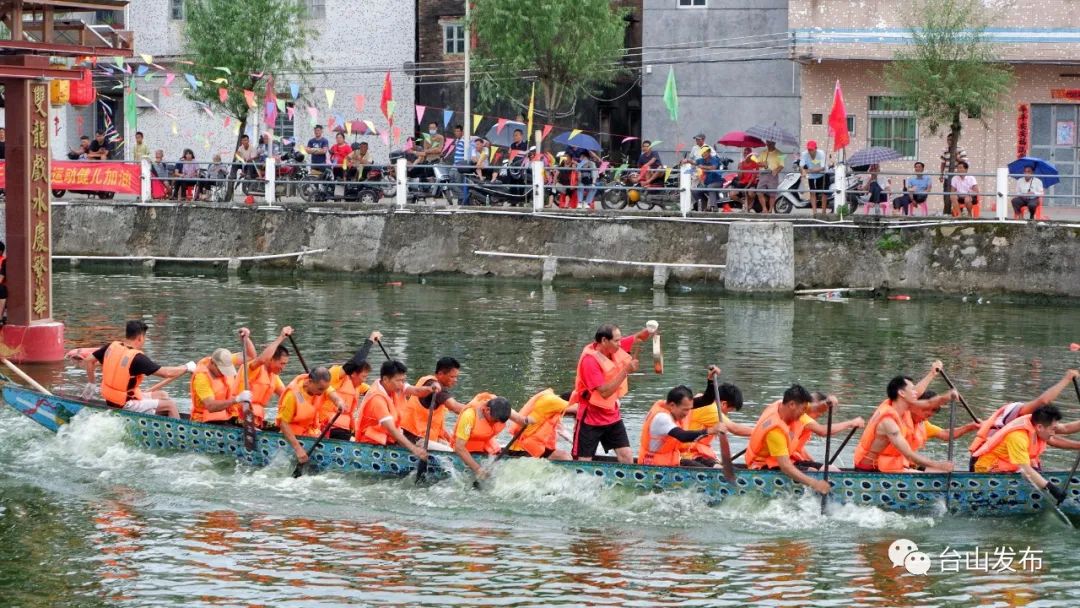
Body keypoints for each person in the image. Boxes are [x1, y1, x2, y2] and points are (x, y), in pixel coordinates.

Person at [571, 322, 658, 463]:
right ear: (604, 340)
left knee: (626, 455)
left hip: (611, 414)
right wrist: (626, 371)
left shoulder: (614, 347)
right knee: (584, 460)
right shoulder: (589, 360)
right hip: (590, 417)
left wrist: (649, 331)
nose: (620, 344)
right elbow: (604, 393)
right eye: (617, 340)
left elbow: (638, 337)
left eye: (620, 339)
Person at [967, 369, 1080, 470]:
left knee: (1033, 466)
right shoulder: (1016, 415)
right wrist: (1066, 379)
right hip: (987, 462)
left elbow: (1064, 429)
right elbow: (1044, 401)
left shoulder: (1035, 423)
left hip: (1011, 460)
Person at [82, 320, 193, 418]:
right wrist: (187, 367)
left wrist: (92, 383)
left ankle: (155, 417)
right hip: (126, 404)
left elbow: (88, 360)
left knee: (162, 395)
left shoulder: (110, 347)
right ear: (140, 338)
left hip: (111, 399)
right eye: (145, 337)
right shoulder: (137, 358)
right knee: (170, 405)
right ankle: (177, 432)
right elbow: (166, 373)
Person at [853, 375, 958, 473]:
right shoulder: (888, 422)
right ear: (902, 393)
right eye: (912, 389)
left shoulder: (900, 405)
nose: (916, 392)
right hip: (868, 469)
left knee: (936, 471)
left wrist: (947, 396)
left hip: (885, 465)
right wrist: (938, 465)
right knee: (936, 471)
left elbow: (929, 403)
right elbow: (908, 454)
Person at [971, 406, 1076, 502]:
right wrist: (1051, 488)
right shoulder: (1018, 437)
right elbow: (1025, 470)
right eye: (1053, 429)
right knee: (1033, 475)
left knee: (1035, 471)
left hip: (1010, 465)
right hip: (988, 470)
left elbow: (1065, 428)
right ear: (1039, 427)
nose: (1054, 433)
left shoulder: (1036, 423)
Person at [744, 384, 830, 495]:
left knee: (827, 469)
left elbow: (810, 406)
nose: (804, 413)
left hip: (777, 460)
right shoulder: (775, 431)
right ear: (792, 405)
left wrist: (825, 403)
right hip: (762, 466)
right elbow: (785, 467)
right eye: (803, 410)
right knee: (812, 473)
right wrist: (814, 483)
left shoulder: (780, 403)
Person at [351, 360, 431, 462]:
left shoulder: (393, 386)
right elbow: (391, 429)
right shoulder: (377, 399)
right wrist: (414, 449)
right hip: (371, 445)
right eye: (399, 381)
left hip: (389, 441)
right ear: (385, 379)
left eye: (403, 380)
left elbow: (417, 391)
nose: (402, 384)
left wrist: (431, 389)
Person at [679, 368, 750, 466]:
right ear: (724, 404)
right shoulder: (709, 408)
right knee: (720, 468)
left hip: (697, 454)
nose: (727, 414)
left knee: (732, 467)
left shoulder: (704, 401)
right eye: (730, 410)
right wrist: (760, 432)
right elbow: (735, 429)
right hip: (687, 456)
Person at [640, 385, 725, 467]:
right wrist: (710, 430)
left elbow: (706, 400)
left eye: (689, 409)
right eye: (685, 410)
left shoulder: (676, 405)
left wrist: (710, 381)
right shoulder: (662, 418)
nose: (687, 413)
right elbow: (683, 436)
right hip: (653, 465)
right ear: (672, 405)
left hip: (669, 461)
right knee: (702, 470)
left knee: (705, 465)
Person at [277, 367, 348, 465]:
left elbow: (334, 396)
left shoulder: (322, 386)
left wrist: (339, 402)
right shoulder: (294, 395)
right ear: (310, 382)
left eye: (325, 389)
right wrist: (298, 449)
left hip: (311, 434)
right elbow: (283, 423)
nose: (322, 392)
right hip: (293, 438)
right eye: (320, 389)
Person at [399, 356, 468, 448]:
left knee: (455, 444)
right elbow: (455, 407)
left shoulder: (426, 379)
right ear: (440, 374)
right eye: (452, 377)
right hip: (416, 438)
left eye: (456, 377)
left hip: (421, 436)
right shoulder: (435, 387)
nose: (455, 380)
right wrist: (475, 411)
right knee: (455, 452)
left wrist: (445, 434)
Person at [190, 330, 257, 425]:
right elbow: (211, 406)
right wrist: (237, 399)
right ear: (212, 363)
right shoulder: (201, 377)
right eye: (221, 370)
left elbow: (250, 356)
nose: (224, 374)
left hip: (226, 416)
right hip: (205, 421)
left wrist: (246, 339)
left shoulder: (225, 359)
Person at [454, 396, 523, 479]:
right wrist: (477, 469)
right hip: (466, 448)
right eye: (495, 420)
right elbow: (459, 447)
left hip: (484, 442)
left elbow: (521, 420)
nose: (496, 423)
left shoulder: (502, 412)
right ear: (487, 410)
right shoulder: (469, 416)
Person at [238, 326, 293, 429]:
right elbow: (262, 359)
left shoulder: (274, 377)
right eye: (282, 364)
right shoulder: (253, 368)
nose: (283, 368)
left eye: (285, 364)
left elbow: (287, 395)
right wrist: (281, 337)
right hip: (240, 420)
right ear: (271, 359)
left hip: (256, 421)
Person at [506, 389, 577, 460]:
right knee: (565, 457)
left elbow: (562, 432)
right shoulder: (554, 401)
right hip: (523, 449)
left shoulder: (552, 408)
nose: (570, 416)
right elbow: (578, 408)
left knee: (564, 455)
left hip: (529, 446)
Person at [910, 390, 980, 454]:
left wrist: (970, 427)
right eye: (926, 415)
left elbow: (946, 434)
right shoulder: (904, 416)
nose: (925, 419)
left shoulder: (923, 425)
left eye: (929, 416)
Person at [939, 134, 968, 216]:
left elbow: (965, 163)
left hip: (958, 177)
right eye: (948, 140)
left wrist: (956, 156)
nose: (949, 141)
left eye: (951, 140)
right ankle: (947, 212)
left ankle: (959, 212)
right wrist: (941, 175)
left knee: (959, 194)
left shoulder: (961, 149)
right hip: (947, 176)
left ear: (956, 140)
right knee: (946, 194)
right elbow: (943, 163)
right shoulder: (945, 150)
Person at [754, 140, 784, 214]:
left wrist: (776, 170)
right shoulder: (763, 152)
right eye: (767, 143)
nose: (768, 144)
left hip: (773, 175)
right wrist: (762, 164)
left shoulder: (780, 153)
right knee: (759, 192)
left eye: (770, 143)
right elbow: (757, 163)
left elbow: (782, 165)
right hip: (763, 174)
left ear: (774, 143)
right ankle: (764, 209)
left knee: (772, 194)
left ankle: (770, 210)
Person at [800, 140, 828, 215]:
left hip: (822, 174)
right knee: (812, 192)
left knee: (824, 193)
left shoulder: (821, 153)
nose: (810, 151)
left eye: (811, 149)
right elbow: (801, 165)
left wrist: (810, 170)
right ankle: (814, 211)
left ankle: (823, 211)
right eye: (809, 149)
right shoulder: (804, 154)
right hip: (811, 176)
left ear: (816, 148)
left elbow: (822, 167)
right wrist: (803, 172)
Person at [692, 146, 723, 211]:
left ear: (709, 152)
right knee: (695, 191)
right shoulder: (701, 160)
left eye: (704, 152)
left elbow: (713, 167)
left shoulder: (715, 159)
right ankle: (704, 207)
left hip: (717, 182)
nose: (703, 154)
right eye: (702, 153)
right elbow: (694, 162)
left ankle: (713, 207)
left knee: (710, 187)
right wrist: (686, 161)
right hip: (706, 183)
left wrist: (702, 167)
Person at [730, 147, 759, 211]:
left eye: (747, 153)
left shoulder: (754, 164)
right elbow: (740, 177)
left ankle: (750, 204)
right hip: (742, 182)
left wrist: (747, 186)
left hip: (751, 183)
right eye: (745, 153)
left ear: (750, 155)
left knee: (751, 193)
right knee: (732, 194)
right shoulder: (741, 163)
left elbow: (753, 177)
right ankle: (743, 203)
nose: (746, 154)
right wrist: (740, 169)